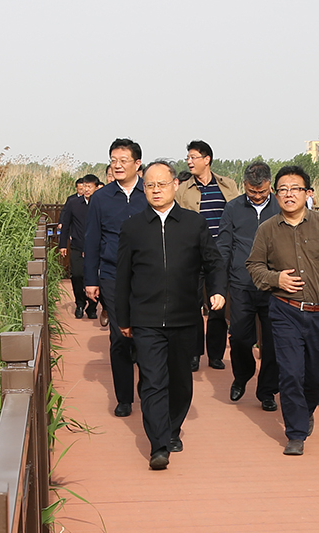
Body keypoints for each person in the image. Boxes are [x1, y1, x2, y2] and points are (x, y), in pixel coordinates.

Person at [116, 160, 226, 470]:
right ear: (144, 188)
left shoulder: (193, 224)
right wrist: (123, 318)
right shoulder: (133, 227)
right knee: (152, 381)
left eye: (162, 184)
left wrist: (218, 290)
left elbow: (214, 262)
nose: (156, 190)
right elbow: (122, 276)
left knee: (180, 382)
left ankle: (173, 428)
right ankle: (159, 445)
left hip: (184, 317)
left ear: (175, 185)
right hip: (146, 319)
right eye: (150, 185)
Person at [245, 165, 319, 456]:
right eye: (283, 189)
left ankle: (304, 411)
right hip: (285, 310)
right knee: (291, 373)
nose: (289, 194)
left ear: (308, 193)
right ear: (275, 195)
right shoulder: (267, 229)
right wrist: (276, 279)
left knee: (317, 375)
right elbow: (254, 266)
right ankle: (295, 434)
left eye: (295, 189)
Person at [84, 138, 147, 418]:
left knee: (146, 335)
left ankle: (148, 388)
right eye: (113, 160)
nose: (117, 165)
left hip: (147, 275)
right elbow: (92, 240)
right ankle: (124, 398)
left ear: (137, 163)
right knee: (120, 337)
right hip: (112, 275)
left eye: (123, 160)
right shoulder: (101, 198)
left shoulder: (150, 192)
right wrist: (91, 280)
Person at [217, 161, 280, 411]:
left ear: (270, 185)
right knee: (240, 337)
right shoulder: (233, 208)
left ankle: (267, 391)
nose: (257, 196)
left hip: (274, 285)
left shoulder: (280, 207)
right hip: (241, 283)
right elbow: (224, 246)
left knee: (273, 341)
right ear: (244, 185)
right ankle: (242, 376)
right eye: (252, 191)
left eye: (261, 191)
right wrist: (219, 283)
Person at [175, 140, 239, 371]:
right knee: (192, 306)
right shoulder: (183, 190)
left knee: (218, 306)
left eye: (193, 157)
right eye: (188, 157)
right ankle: (194, 353)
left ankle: (215, 354)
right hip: (192, 255)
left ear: (207, 159)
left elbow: (237, 218)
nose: (189, 162)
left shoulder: (228, 186)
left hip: (219, 256)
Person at [59, 174, 100, 319]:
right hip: (77, 245)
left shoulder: (101, 204)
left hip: (96, 248)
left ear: (96, 188)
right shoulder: (74, 203)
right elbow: (65, 225)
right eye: (84, 186)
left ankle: (92, 307)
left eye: (89, 187)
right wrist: (62, 245)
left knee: (96, 277)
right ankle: (80, 303)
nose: (86, 189)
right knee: (77, 275)